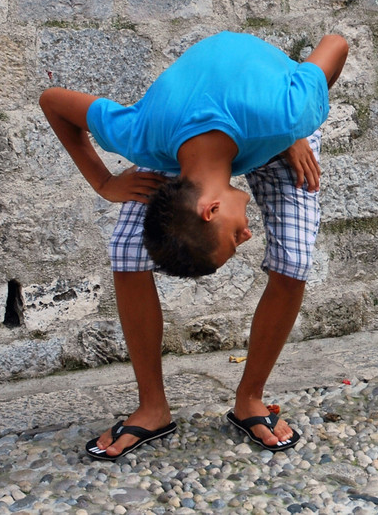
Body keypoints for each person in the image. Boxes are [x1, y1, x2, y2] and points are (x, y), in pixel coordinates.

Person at [39, 30, 348, 460]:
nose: (247, 234)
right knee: (127, 252)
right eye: (242, 240)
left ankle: (250, 400)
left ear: (210, 210)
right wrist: (105, 182)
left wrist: (300, 121)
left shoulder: (288, 109)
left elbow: (335, 43)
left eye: (234, 239)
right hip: (179, 137)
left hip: (274, 124)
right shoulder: (139, 135)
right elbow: (52, 100)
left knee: (294, 261)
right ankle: (152, 408)